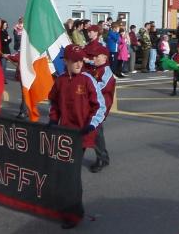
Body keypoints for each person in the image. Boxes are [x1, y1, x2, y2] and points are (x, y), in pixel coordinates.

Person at [47, 44, 106, 229]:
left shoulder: (88, 80)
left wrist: (91, 125)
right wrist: (53, 121)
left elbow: (100, 106)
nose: (79, 63)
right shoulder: (60, 81)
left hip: (80, 135)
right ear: (66, 62)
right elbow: (54, 104)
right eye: (75, 60)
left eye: (81, 60)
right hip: (64, 135)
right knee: (64, 173)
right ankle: (69, 208)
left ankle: (73, 213)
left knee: (71, 175)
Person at [84, 43, 115, 173]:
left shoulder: (106, 71)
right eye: (94, 57)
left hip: (100, 108)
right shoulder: (97, 68)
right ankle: (103, 157)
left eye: (97, 57)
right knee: (93, 132)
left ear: (105, 58)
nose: (94, 59)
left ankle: (102, 158)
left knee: (96, 134)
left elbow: (99, 87)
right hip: (93, 105)